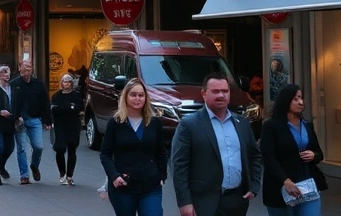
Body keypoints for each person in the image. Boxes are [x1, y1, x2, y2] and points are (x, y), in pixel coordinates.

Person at [171, 73, 263, 216]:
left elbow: (254, 156)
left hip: (237, 201)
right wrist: (185, 202)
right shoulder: (189, 125)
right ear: (204, 94)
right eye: (215, 91)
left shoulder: (242, 123)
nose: (221, 95)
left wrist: (254, 186)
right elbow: (179, 167)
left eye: (225, 91)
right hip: (204, 203)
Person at [100, 78, 168, 216]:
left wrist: (161, 176)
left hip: (150, 186)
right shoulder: (116, 123)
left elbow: (161, 152)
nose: (137, 99)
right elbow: (105, 154)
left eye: (141, 95)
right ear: (125, 97)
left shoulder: (154, 123)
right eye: (133, 95)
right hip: (124, 186)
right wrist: (114, 176)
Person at [260, 84, 326, 216]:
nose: (301, 102)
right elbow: (268, 157)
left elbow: (319, 153)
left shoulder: (307, 125)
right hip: (281, 187)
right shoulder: (271, 126)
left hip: (307, 186)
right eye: (296, 99)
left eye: (301, 98)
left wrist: (314, 155)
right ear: (286, 100)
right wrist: (285, 181)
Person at [10, 61, 52, 184]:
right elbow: (10, 102)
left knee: (38, 147)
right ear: (19, 68)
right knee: (21, 148)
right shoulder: (14, 84)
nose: (28, 69)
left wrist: (48, 120)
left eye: (30, 67)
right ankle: (24, 175)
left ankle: (34, 165)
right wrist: (16, 116)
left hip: (35, 119)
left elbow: (45, 103)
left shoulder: (38, 84)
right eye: (25, 67)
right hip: (20, 121)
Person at [50, 73, 83, 185]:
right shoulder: (56, 96)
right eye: (64, 81)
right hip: (60, 126)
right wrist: (69, 108)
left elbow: (79, 109)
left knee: (72, 150)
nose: (67, 84)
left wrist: (64, 109)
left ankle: (70, 176)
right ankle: (62, 173)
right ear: (61, 83)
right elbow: (54, 110)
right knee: (60, 148)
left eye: (69, 82)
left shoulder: (76, 96)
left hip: (73, 126)